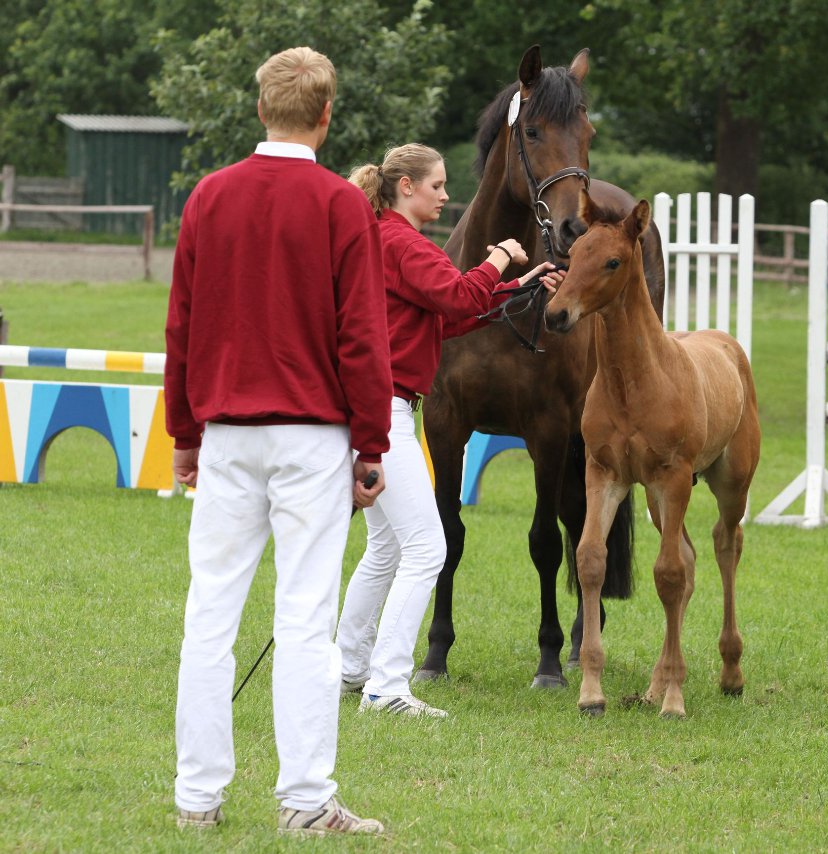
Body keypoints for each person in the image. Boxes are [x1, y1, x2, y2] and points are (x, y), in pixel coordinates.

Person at [166, 46, 391, 836]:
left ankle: (198, 795)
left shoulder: (210, 197)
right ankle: (304, 798)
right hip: (311, 435)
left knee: (211, 613)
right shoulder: (338, 207)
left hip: (227, 432)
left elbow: (183, 326)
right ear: (326, 116)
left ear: (260, 107)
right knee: (304, 618)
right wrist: (372, 443)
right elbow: (362, 336)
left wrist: (182, 432)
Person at [336, 143, 563, 717]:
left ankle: (349, 668)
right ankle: (386, 688)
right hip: (385, 413)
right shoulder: (403, 243)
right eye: (436, 186)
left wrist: (521, 284)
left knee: (387, 546)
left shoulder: (386, 238)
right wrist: (502, 258)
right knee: (426, 547)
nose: (445, 195)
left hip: (374, 407)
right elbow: (459, 292)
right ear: (406, 187)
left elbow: (454, 313)